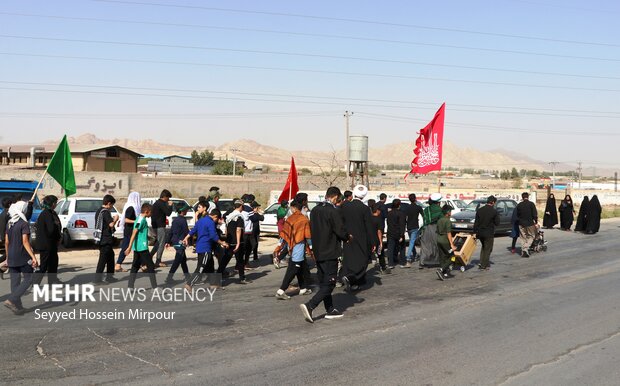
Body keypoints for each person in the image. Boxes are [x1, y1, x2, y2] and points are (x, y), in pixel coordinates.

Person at [300, 187, 350, 323]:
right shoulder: (332, 211)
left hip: (318, 251)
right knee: (330, 282)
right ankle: (310, 305)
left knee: (324, 282)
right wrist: (347, 237)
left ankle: (330, 309)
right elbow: (340, 230)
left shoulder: (315, 210)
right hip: (330, 251)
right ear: (335, 197)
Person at [3, 201, 38, 314]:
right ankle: (12, 300)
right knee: (29, 279)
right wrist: (33, 257)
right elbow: (25, 241)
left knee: (15, 282)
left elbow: (7, 242)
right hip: (22, 256)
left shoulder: (10, 223)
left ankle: (18, 307)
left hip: (12, 256)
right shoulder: (24, 223)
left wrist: (8, 257)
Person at [275, 200, 313, 299]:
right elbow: (308, 235)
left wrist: (279, 246)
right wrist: (312, 248)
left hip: (291, 246)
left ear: (293, 208)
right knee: (293, 269)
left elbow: (284, 234)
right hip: (299, 247)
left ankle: (303, 288)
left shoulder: (290, 219)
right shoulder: (304, 219)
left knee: (301, 267)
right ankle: (281, 291)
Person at [340, 185, 374, 291]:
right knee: (362, 261)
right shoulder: (365, 209)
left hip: (347, 237)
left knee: (348, 258)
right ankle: (351, 278)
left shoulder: (344, 206)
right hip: (361, 238)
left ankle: (347, 278)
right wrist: (373, 242)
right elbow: (369, 226)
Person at [184, 203, 227, 289]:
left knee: (210, 265)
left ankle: (213, 283)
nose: (216, 220)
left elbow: (193, 230)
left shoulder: (201, 220)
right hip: (205, 248)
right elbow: (213, 236)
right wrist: (222, 242)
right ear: (215, 216)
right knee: (201, 267)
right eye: (217, 219)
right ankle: (189, 284)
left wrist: (186, 238)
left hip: (200, 247)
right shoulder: (210, 222)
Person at [125, 203, 157, 289]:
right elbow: (134, 233)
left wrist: (148, 237)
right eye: (151, 212)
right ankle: (155, 288)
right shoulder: (140, 220)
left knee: (135, 267)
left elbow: (140, 233)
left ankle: (130, 287)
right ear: (147, 211)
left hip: (138, 247)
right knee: (150, 267)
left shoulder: (140, 218)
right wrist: (129, 247)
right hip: (142, 248)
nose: (151, 214)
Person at [34, 195, 62, 284]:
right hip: (46, 244)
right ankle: (35, 282)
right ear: (53, 203)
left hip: (52, 244)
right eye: (56, 202)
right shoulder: (46, 214)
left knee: (53, 263)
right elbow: (51, 229)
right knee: (44, 265)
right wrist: (57, 236)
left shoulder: (51, 213)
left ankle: (52, 280)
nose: (56, 204)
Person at [165, 202, 192, 285]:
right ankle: (169, 278)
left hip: (175, 242)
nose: (187, 210)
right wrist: (190, 241)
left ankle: (187, 276)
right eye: (186, 209)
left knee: (183, 260)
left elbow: (171, 231)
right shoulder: (183, 220)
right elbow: (186, 232)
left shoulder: (175, 220)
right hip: (180, 242)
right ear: (182, 211)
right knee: (177, 260)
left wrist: (168, 241)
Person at [95, 194, 119, 283]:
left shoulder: (99, 211)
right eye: (112, 205)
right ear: (109, 203)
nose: (111, 207)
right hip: (105, 239)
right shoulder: (105, 212)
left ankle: (110, 276)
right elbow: (111, 224)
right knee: (103, 260)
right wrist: (116, 219)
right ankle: (97, 279)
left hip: (102, 239)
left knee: (110, 258)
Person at [225, 199, 251, 284]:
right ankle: (242, 278)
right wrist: (238, 243)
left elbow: (226, 229)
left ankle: (218, 276)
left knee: (225, 260)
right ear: (241, 206)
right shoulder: (239, 217)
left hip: (229, 240)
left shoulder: (230, 216)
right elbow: (238, 230)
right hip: (237, 242)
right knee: (240, 261)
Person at [115, 191, 141, 272]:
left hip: (131, 230)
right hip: (130, 231)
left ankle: (140, 264)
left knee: (137, 247)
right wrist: (137, 221)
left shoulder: (133, 207)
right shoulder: (131, 207)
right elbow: (126, 220)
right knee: (126, 247)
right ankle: (118, 264)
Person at [473, 196, 500, 270]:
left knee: (484, 247)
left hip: (480, 232)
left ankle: (482, 262)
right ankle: (483, 265)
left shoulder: (480, 210)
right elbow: (497, 223)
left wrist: (474, 232)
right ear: (493, 202)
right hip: (489, 233)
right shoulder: (494, 211)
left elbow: (476, 223)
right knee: (488, 249)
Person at [150, 189, 173, 267]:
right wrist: (170, 206)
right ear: (165, 197)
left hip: (155, 226)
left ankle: (149, 257)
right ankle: (158, 261)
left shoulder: (156, 203)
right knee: (161, 244)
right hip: (160, 226)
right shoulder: (161, 203)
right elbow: (168, 213)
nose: (168, 200)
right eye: (168, 198)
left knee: (158, 243)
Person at [419, 193, 443, 267]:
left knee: (425, 246)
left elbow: (424, 218)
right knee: (436, 245)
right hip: (435, 229)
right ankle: (437, 261)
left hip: (426, 229)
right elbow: (441, 220)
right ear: (438, 202)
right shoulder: (439, 209)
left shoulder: (426, 209)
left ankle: (422, 262)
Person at [436, 205, 457, 281]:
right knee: (452, 257)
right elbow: (449, 233)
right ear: (448, 212)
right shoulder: (447, 221)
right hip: (445, 240)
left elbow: (437, 231)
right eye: (450, 211)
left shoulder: (439, 220)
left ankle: (444, 273)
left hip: (438, 239)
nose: (451, 212)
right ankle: (441, 269)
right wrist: (452, 244)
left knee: (442, 257)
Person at [516, 192, 538, 258]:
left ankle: (524, 252)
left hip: (521, 224)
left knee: (523, 237)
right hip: (530, 223)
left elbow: (517, 215)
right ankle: (525, 248)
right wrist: (536, 221)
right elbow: (534, 214)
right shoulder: (531, 204)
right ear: (528, 197)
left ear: (522, 197)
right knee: (532, 236)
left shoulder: (519, 205)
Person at [386, 199, 407, 268]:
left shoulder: (389, 213)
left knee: (390, 248)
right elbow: (402, 224)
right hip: (398, 233)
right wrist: (401, 235)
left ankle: (390, 263)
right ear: (399, 205)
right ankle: (402, 262)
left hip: (390, 232)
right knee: (402, 248)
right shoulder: (401, 213)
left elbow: (388, 223)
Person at [404, 193, 423, 264]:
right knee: (412, 242)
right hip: (415, 226)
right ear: (415, 199)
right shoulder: (418, 207)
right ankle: (408, 257)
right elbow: (424, 216)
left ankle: (414, 254)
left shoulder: (407, 208)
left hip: (409, 227)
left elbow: (404, 218)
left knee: (412, 242)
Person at [370, 204, 389, 273]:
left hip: (369, 239)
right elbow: (379, 232)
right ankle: (383, 267)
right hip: (376, 240)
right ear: (377, 211)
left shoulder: (368, 218)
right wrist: (381, 242)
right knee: (380, 253)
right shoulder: (378, 219)